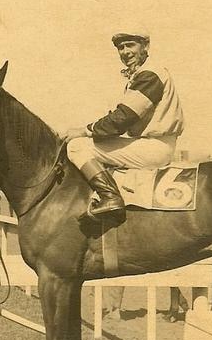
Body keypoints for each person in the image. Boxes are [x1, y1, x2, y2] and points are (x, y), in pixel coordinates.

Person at [64, 31, 184, 218]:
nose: (125, 51)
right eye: (121, 47)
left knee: (77, 147)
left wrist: (84, 131)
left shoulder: (150, 74)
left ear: (145, 47)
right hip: (150, 144)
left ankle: (110, 197)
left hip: (153, 147)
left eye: (130, 45)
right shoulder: (143, 74)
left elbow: (122, 119)